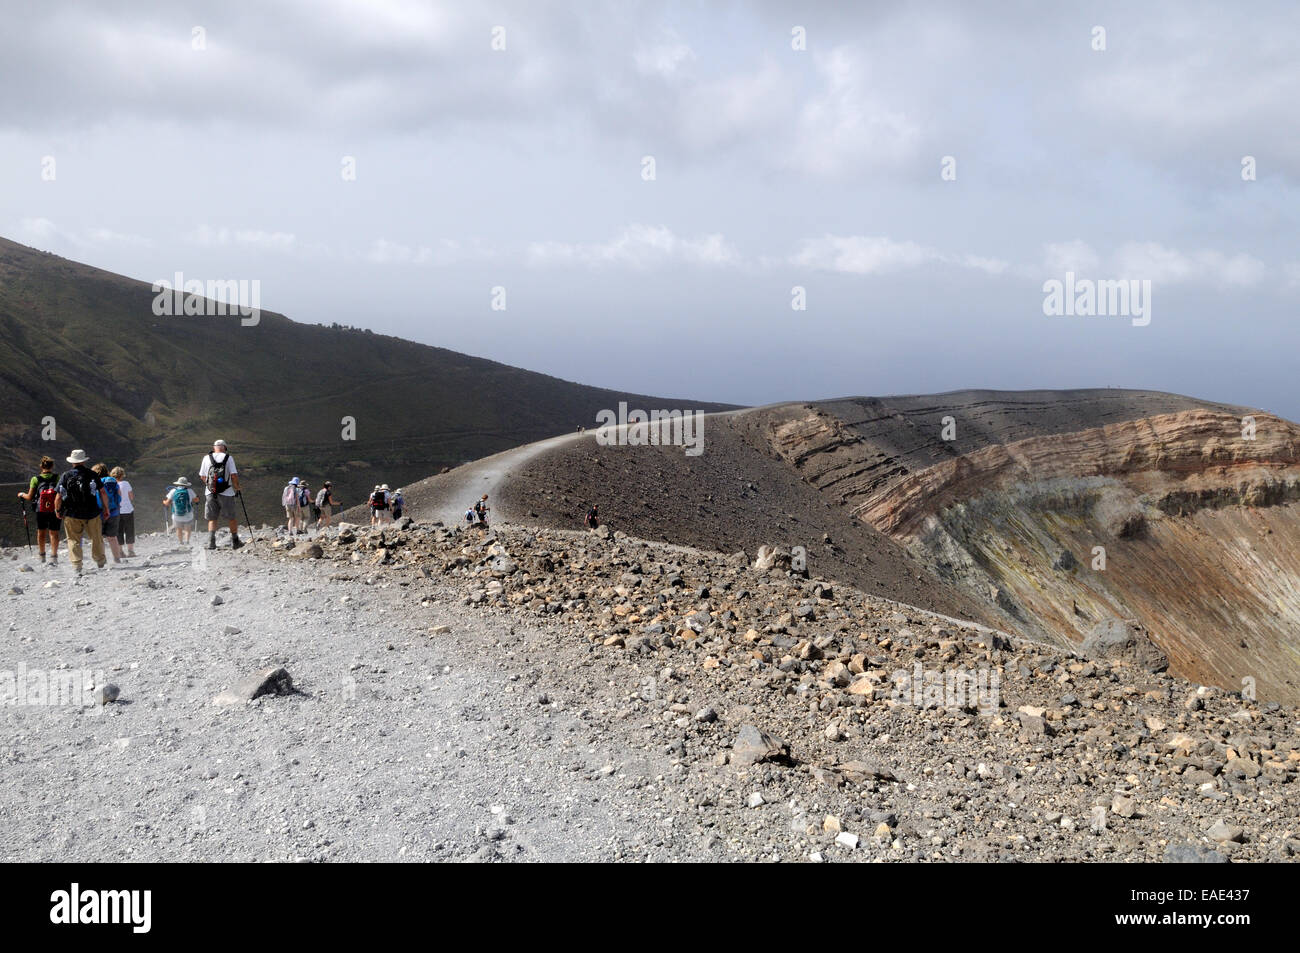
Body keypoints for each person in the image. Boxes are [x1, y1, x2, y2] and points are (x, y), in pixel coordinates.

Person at [56, 449, 109, 574]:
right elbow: (102, 492)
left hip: (72, 513)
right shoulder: (92, 474)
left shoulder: (66, 475)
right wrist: (106, 509)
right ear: (84, 461)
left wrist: (57, 510)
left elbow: (58, 496)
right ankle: (100, 561)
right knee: (96, 537)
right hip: (92, 512)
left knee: (73, 539)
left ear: (72, 462)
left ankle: (77, 565)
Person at [199, 439, 244, 550]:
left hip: (210, 493)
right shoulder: (229, 458)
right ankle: (235, 542)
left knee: (212, 518)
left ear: (214, 447)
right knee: (231, 517)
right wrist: (237, 487)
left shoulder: (206, 458)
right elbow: (233, 475)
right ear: (224, 448)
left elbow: (202, 476)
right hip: (227, 492)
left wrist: (211, 486)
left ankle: (211, 543)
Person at [16, 455, 60, 564]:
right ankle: (54, 556)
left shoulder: (35, 479)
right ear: (52, 466)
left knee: (41, 532)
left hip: (41, 510)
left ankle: (42, 555)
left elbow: (30, 497)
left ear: (41, 466)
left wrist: (21, 494)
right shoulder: (57, 477)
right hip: (55, 508)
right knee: (54, 533)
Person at [92, 463, 124, 564]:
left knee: (99, 538)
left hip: (99, 513)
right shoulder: (113, 481)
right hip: (114, 512)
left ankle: (102, 559)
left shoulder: (95, 482)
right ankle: (117, 558)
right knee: (112, 537)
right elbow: (119, 496)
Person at [111, 466, 137, 557]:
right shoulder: (126, 483)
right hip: (128, 510)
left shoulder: (112, 484)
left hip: (116, 511)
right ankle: (130, 551)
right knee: (129, 530)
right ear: (122, 475)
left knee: (119, 531)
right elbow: (131, 497)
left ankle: (120, 552)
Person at [164, 477, 198, 544]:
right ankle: (187, 541)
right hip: (188, 515)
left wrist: (164, 502)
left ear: (178, 483)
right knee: (187, 529)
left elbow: (167, 503)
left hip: (176, 515)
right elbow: (196, 500)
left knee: (178, 529)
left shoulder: (173, 491)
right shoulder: (190, 491)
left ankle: (181, 542)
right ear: (186, 484)